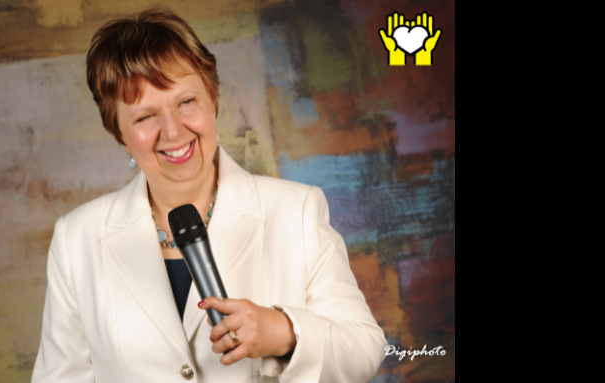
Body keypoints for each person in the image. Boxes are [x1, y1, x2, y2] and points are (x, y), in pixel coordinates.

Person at [31, 7, 387, 383]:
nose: (172, 131)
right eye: (144, 116)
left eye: (186, 102)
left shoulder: (295, 211)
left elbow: (364, 348)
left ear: (213, 101)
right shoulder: (77, 238)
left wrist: (282, 331)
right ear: (119, 134)